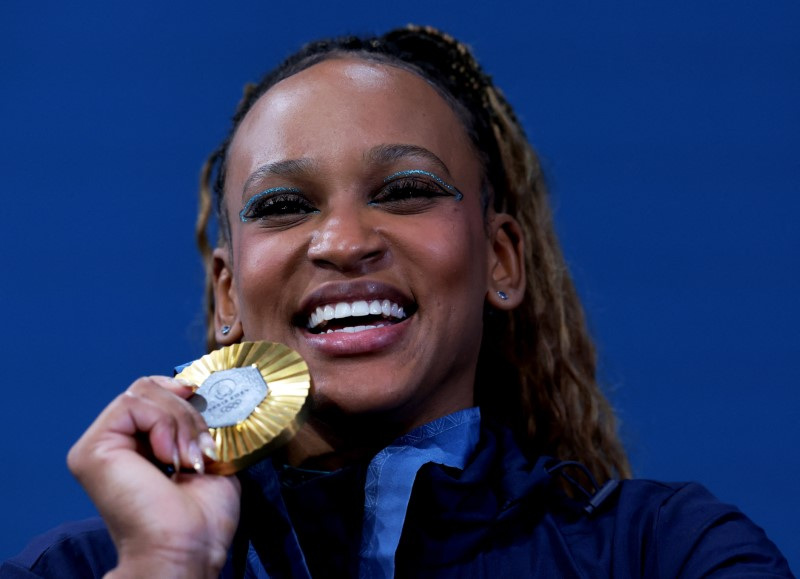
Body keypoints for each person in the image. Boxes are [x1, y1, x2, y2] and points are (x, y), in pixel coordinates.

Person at [2, 25, 792, 578]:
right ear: (226, 292)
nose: (344, 240)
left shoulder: (666, 554)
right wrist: (167, 567)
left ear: (502, 260)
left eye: (407, 190)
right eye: (283, 205)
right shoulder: (74, 572)